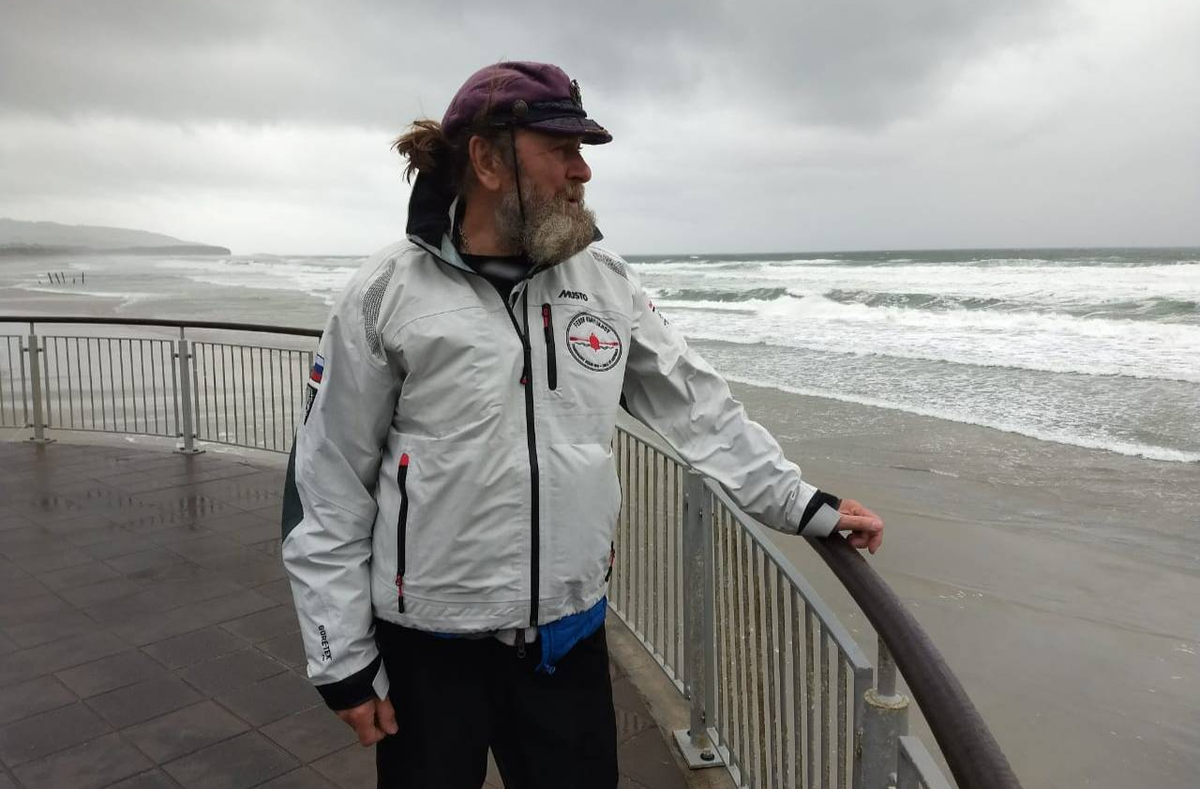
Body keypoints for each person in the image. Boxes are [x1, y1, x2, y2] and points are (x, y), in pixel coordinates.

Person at [281, 61, 884, 789]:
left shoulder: (605, 281)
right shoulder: (385, 291)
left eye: (583, 150)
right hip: (427, 652)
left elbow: (697, 404)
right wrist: (341, 658)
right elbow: (328, 481)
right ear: (487, 159)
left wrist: (801, 504)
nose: (583, 171)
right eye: (562, 149)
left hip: (566, 642)